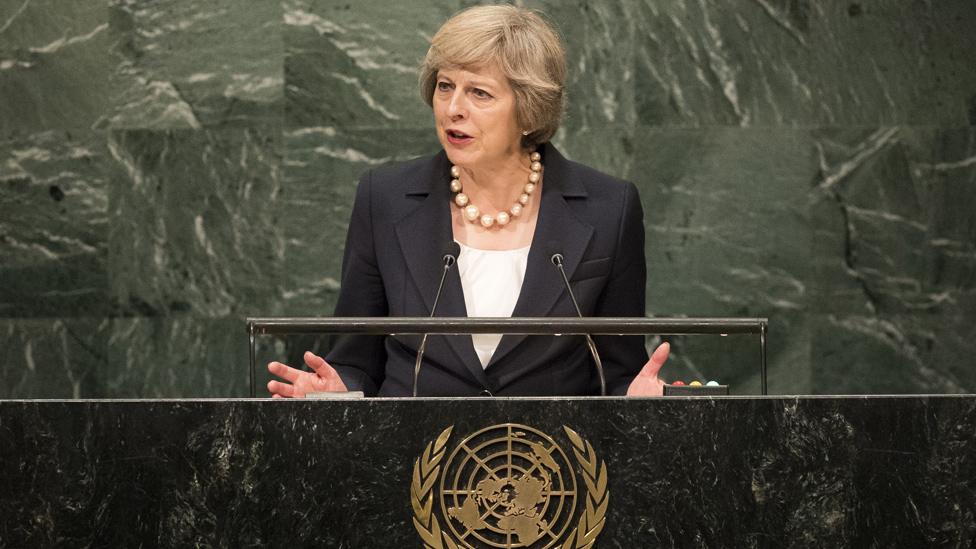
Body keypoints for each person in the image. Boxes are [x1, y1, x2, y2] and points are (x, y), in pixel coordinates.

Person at [267, 5, 670, 398]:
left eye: (479, 92)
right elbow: (356, 361)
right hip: (414, 455)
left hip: (551, 457)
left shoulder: (608, 208)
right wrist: (338, 389)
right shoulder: (385, 199)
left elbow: (619, 371)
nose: (453, 109)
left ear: (529, 111)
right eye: (445, 86)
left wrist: (640, 395)